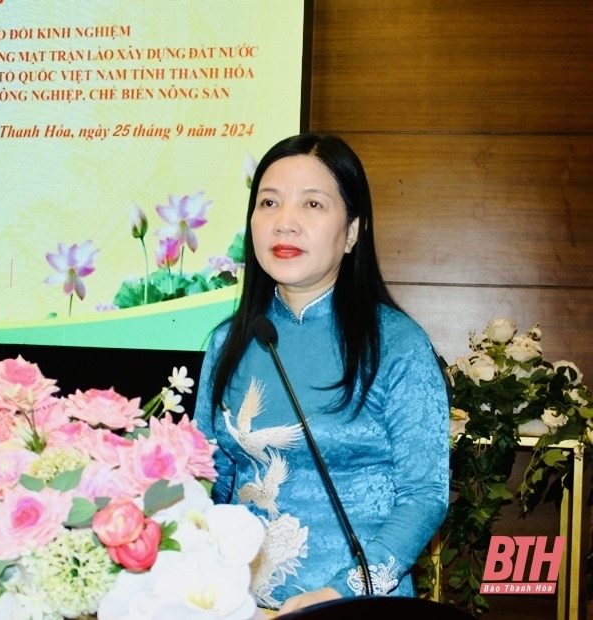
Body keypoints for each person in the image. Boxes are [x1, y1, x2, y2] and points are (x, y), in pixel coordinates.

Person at [193, 132, 450, 615]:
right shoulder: (226, 343)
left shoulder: (397, 344)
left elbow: (424, 498)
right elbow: (209, 481)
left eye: (312, 204)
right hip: (240, 604)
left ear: (352, 231)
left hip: (352, 606)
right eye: (269, 202)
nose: (285, 222)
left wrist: (336, 596)